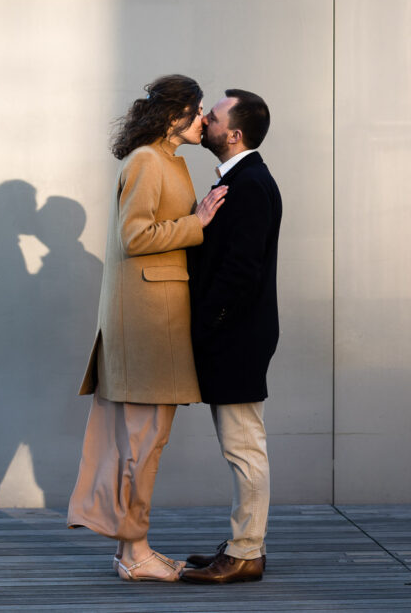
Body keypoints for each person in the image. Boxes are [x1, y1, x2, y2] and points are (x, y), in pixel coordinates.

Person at [67, 75, 227, 582]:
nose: (205, 120)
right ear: (175, 113)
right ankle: (134, 553)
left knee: (145, 442)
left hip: (160, 321)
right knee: (141, 443)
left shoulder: (168, 162)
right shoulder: (145, 161)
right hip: (145, 326)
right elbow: (135, 237)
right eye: (199, 110)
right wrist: (198, 222)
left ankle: (132, 550)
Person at [181, 89, 282, 584]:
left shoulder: (249, 185)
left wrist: (205, 327)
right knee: (242, 445)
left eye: (213, 116)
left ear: (234, 133)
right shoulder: (239, 181)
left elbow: (241, 272)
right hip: (235, 332)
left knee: (244, 446)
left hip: (236, 336)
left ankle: (246, 551)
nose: (203, 119)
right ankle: (245, 543)